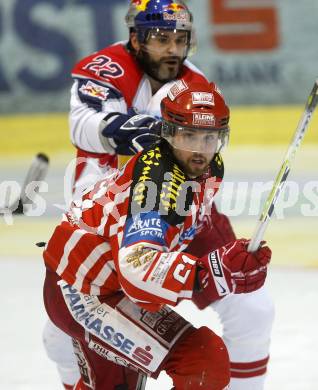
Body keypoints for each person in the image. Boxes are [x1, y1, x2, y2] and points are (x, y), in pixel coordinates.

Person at [42, 1, 275, 389]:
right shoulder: (107, 68)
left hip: (184, 209)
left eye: (180, 39)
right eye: (161, 38)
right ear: (136, 38)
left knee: (252, 307)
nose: (172, 49)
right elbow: (83, 124)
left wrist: (218, 266)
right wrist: (133, 129)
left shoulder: (194, 84)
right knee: (64, 333)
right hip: (113, 218)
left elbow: (203, 141)